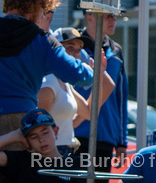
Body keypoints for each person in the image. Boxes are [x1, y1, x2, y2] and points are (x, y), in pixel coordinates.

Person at [0, 0, 94, 134]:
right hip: (22, 120)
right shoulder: (42, 40)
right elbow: (76, 74)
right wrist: (91, 70)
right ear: (37, 6)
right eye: (44, 10)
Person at [74, 11, 129, 183]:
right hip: (76, 138)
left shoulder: (116, 51)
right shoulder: (73, 46)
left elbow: (121, 98)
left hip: (105, 139)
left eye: (115, 16)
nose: (113, 20)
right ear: (90, 15)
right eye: (108, 16)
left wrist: (121, 142)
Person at [39, 28, 113, 158]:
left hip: (66, 152)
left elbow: (90, 112)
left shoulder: (65, 83)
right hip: (52, 153)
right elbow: (39, 126)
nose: (77, 54)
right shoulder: (48, 82)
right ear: (56, 49)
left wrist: (99, 76)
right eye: (70, 48)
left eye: (79, 50)